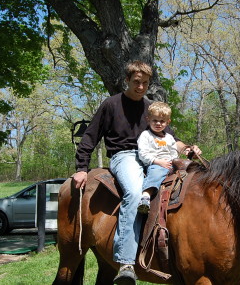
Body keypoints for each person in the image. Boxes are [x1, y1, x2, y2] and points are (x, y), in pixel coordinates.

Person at [72, 60, 201, 285]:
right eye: (136, 82)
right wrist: (82, 169)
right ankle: (126, 263)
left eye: (145, 83)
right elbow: (90, 137)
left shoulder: (150, 108)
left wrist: (188, 149)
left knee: (184, 186)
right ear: (127, 80)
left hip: (155, 156)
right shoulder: (111, 105)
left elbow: (171, 139)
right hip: (126, 157)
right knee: (134, 193)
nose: (140, 87)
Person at [136, 102, 178, 214]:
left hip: (170, 164)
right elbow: (143, 154)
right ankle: (146, 195)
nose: (158, 123)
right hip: (155, 164)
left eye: (162, 121)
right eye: (155, 120)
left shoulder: (169, 137)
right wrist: (157, 161)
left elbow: (174, 152)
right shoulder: (146, 135)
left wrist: (174, 162)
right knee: (156, 173)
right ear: (148, 119)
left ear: (168, 122)